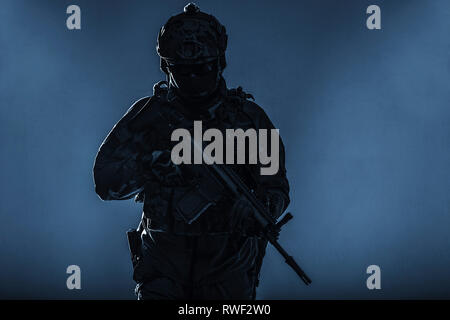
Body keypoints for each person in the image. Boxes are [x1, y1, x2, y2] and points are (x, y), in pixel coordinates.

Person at [93, 3, 290, 300]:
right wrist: (153, 165)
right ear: (166, 66)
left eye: (202, 68)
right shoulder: (149, 116)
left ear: (220, 62)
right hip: (163, 268)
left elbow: (276, 187)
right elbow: (104, 181)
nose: (193, 78)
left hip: (227, 270)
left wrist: (261, 208)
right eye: (182, 70)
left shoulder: (248, 120)